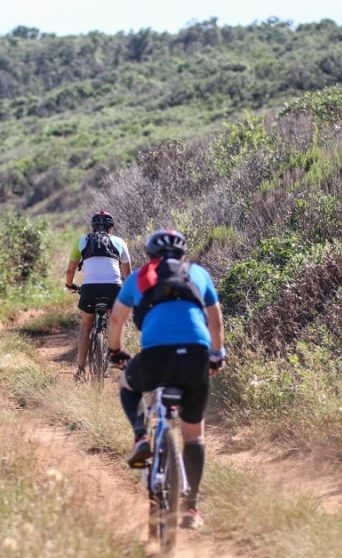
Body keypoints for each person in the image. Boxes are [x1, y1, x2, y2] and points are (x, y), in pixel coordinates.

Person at [106, 229, 225, 530]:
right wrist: (216, 354)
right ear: (182, 254)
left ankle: (141, 437)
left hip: (157, 356)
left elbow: (117, 319)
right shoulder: (198, 273)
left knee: (128, 384)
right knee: (194, 435)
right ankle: (191, 508)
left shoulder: (140, 277)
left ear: (150, 254)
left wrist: (115, 351)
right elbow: (215, 319)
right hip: (195, 355)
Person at [64, 211, 132, 382]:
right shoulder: (119, 241)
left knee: (86, 325)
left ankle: (81, 370)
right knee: (116, 322)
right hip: (113, 288)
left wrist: (69, 285)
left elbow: (70, 270)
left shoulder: (81, 241)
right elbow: (128, 274)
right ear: (111, 228)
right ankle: (118, 361)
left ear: (92, 227)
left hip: (90, 289)